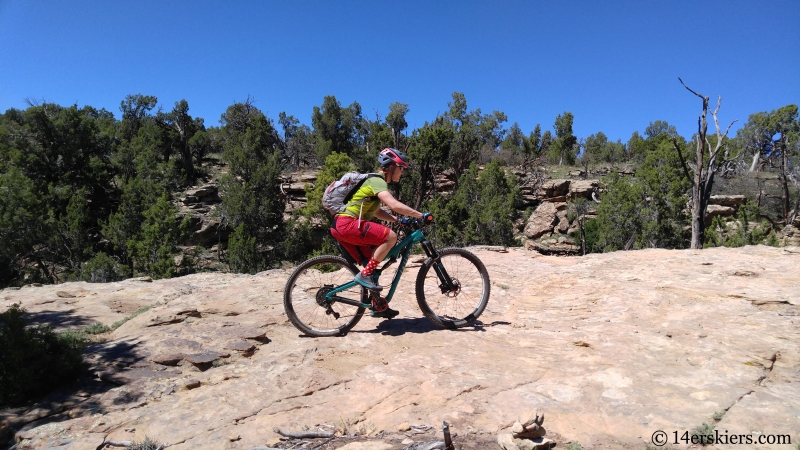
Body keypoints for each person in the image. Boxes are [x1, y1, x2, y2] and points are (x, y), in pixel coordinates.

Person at [329, 148, 429, 318]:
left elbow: (376, 212)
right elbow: (394, 205)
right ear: (391, 167)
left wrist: (398, 220)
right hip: (348, 224)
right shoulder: (378, 181)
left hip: (339, 226)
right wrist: (420, 215)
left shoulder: (374, 183)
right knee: (391, 237)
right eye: (401, 168)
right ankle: (366, 275)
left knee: (372, 266)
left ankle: (378, 305)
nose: (402, 172)